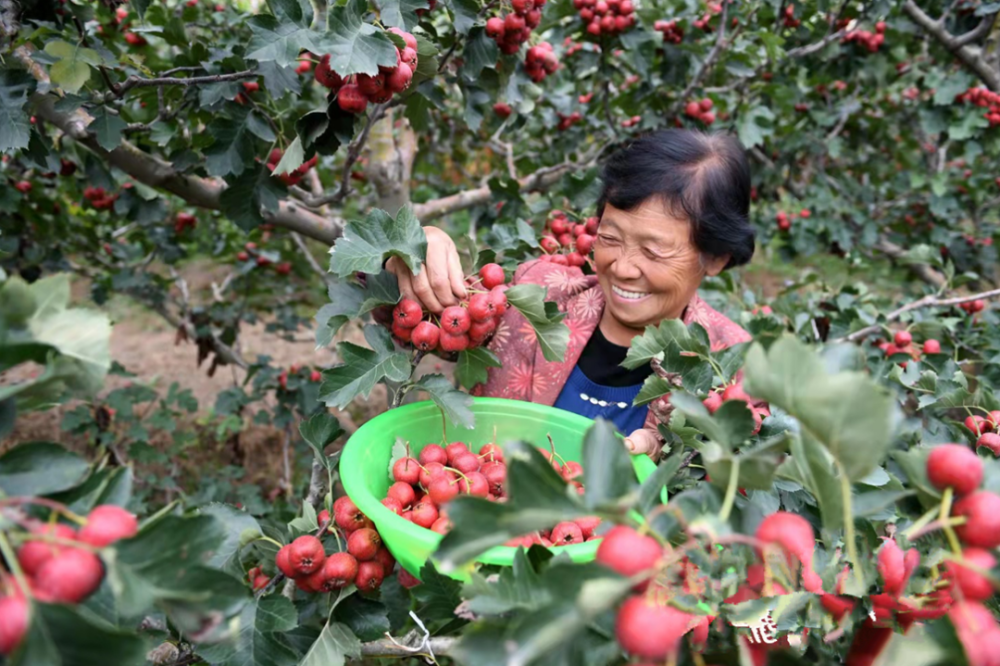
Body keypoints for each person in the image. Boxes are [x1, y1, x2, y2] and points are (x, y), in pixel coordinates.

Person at [386, 129, 755, 457]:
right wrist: (412, 256)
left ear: (716, 257)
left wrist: (680, 451)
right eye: (610, 238)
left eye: (654, 251)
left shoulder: (732, 376)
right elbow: (421, 321)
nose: (622, 267)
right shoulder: (538, 295)